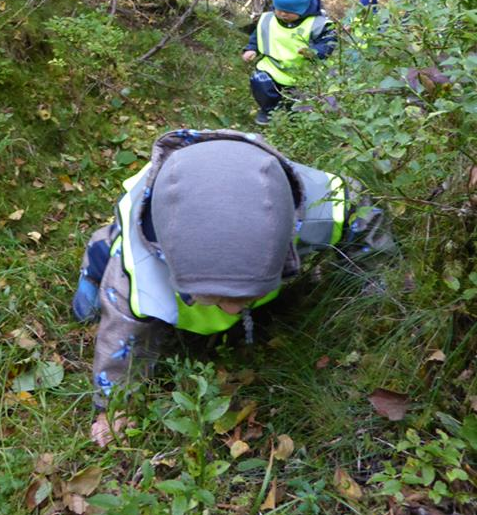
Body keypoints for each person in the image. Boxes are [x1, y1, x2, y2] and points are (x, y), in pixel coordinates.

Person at [72, 128, 394, 406]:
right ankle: (95, 260)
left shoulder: (318, 208)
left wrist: (382, 289)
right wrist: (113, 405)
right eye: (213, 297)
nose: (230, 309)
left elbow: (360, 210)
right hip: (126, 246)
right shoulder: (136, 271)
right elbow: (123, 334)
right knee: (88, 306)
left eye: (243, 299)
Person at [242, 0, 336, 125]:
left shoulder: (318, 23)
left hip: (304, 73)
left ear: (303, 7)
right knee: (260, 81)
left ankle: (297, 118)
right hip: (273, 67)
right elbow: (258, 36)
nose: (283, 14)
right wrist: (251, 48)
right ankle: (269, 110)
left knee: (302, 104)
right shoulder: (267, 19)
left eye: (289, 12)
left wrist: (315, 52)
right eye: (279, 10)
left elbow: (329, 42)